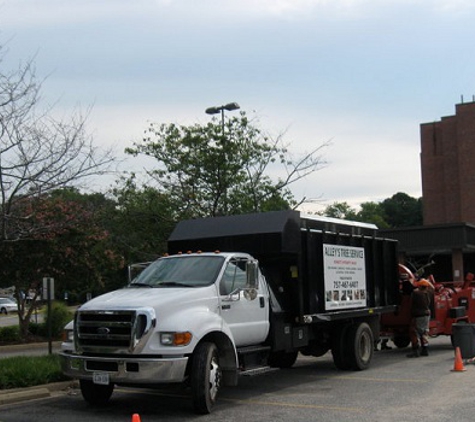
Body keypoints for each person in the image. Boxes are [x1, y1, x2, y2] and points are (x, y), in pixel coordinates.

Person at [407, 278, 433, 358]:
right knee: (424, 332)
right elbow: (432, 288)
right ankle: (425, 350)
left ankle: (415, 350)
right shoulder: (428, 293)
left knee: (414, 332)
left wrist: (411, 281)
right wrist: (428, 281)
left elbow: (412, 291)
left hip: (418, 315)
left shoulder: (416, 293)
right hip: (426, 315)